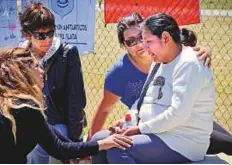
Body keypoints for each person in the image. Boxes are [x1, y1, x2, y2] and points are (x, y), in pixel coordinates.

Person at [89, 13, 232, 163]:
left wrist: (139, 129)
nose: (142, 46)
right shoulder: (158, 61)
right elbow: (145, 100)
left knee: (117, 148)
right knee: (99, 141)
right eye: (132, 41)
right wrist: (128, 122)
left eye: (147, 41)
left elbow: (178, 113)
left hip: (180, 140)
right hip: (157, 132)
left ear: (165, 38)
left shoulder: (189, 63)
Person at [0, 47, 133, 164]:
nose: (42, 71)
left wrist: (80, 148)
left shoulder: (11, 103)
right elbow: (58, 149)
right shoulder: (26, 108)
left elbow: (48, 131)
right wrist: (103, 144)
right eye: (36, 66)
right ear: (22, 73)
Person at [18, 2, 87, 163]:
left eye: (51, 33)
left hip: (58, 123)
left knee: (43, 146)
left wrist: (74, 141)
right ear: (27, 34)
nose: (47, 39)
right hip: (29, 122)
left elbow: (76, 101)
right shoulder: (20, 57)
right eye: (41, 35)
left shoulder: (67, 53)